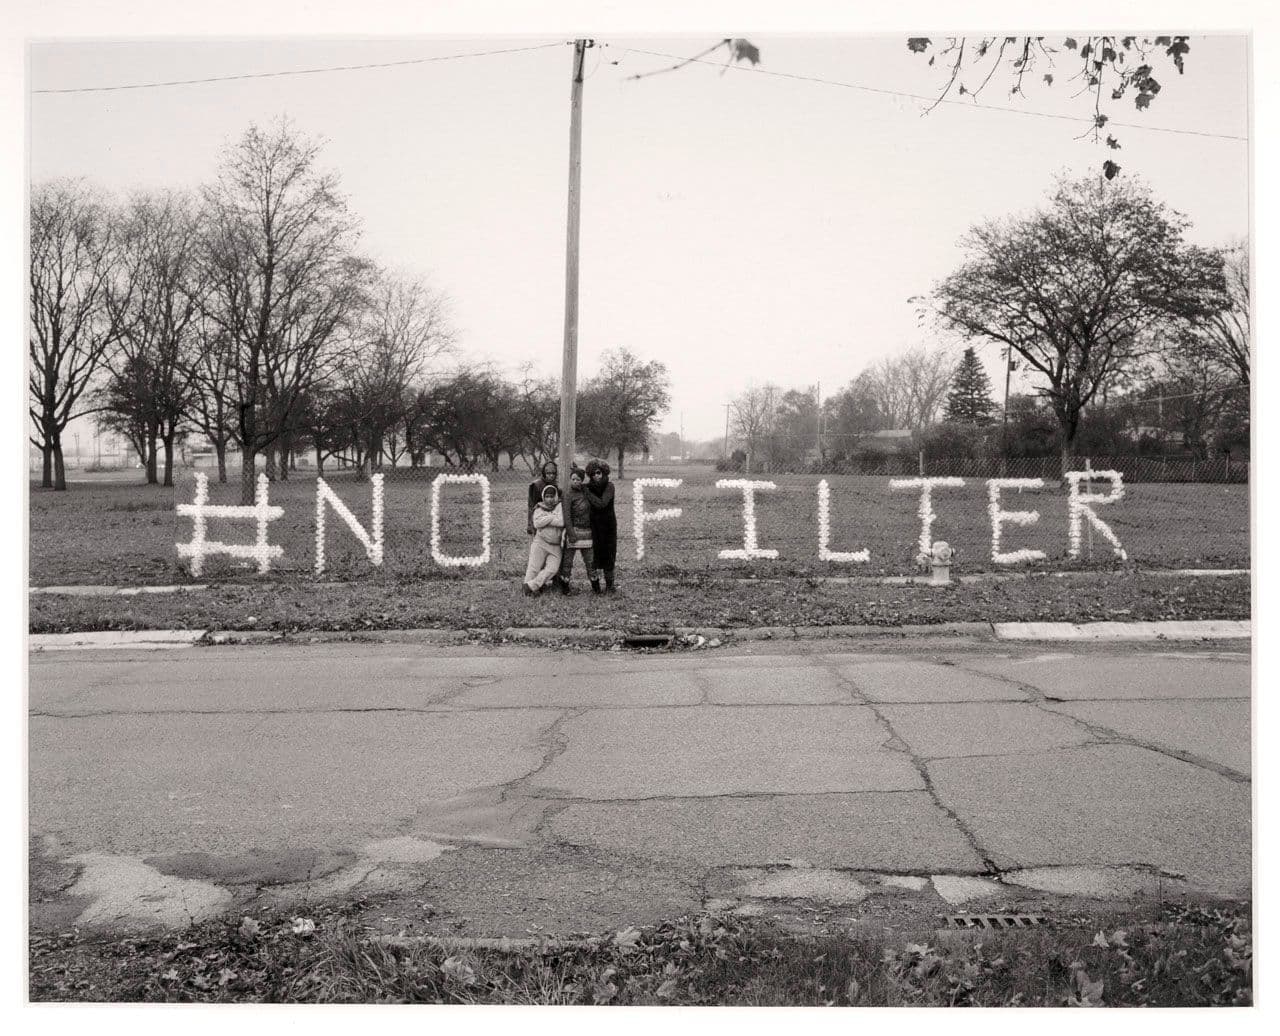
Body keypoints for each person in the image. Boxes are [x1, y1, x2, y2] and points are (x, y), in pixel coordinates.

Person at [556, 466, 597, 593]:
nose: (575, 482)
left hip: (587, 532)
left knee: (590, 560)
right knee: (568, 561)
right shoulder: (567, 495)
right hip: (573, 531)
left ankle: (596, 587)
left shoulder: (586, 491)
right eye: (573, 479)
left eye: (578, 479)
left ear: (582, 481)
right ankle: (565, 587)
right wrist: (570, 533)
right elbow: (566, 515)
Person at [583, 458, 618, 593]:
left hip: (608, 526)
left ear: (603, 472)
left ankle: (610, 586)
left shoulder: (610, 486)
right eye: (592, 474)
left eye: (598, 473)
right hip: (594, 526)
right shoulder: (588, 487)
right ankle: (596, 587)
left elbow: (602, 503)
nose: (596, 476)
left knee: (609, 555)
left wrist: (586, 492)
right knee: (594, 556)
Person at [524, 484, 564, 595]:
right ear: (543, 497)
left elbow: (562, 522)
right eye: (547, 496)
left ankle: (531, 586)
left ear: (555, 496)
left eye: (552, 496)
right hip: (540, 542)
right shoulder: (539, 507)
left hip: (555, 545)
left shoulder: (560, 506)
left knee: (553, 569)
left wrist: (545, 519)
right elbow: (537, 523)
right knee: (534, 567)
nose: (549, 499)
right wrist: (553, 517)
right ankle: (527, 589)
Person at [527, 460, 558, 536]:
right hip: (539, 517)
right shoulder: (536, 485)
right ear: (544, 473)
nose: (551, 476)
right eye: (548, 473)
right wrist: (530, 525)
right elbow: (531, 506)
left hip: (552, 518)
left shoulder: (555, 485)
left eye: (553, 473)